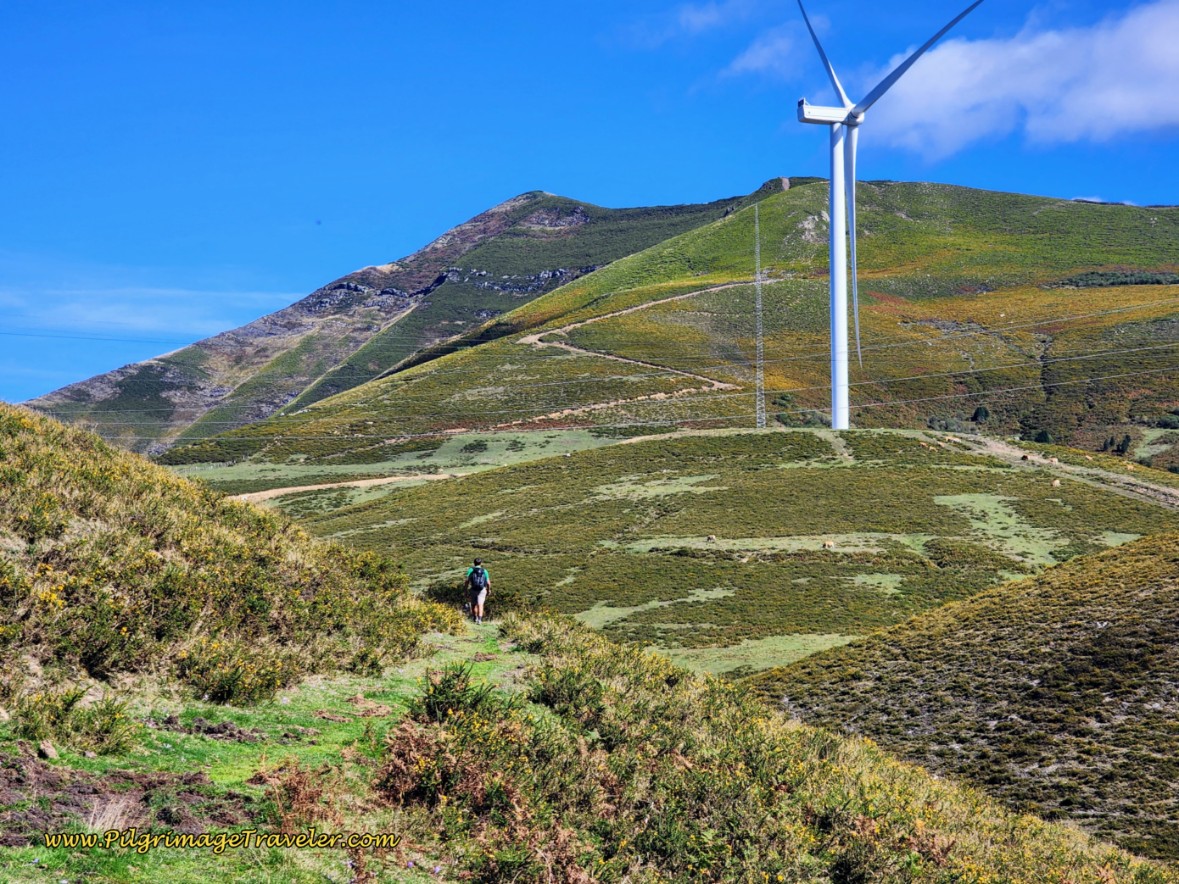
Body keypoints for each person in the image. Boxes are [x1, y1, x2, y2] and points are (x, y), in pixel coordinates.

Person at [465, 558, 490, 624]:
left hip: (473, 589)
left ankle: (475, 618)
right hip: (482, 589)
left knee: (473, 604)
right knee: (481, 604)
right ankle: (480, 619)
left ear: (474, 563)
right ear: (481, 563)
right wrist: (488, 590)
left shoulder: (471, 570)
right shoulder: (484, 570)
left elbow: (467, 581)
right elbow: (488, 582)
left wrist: (465, 589)